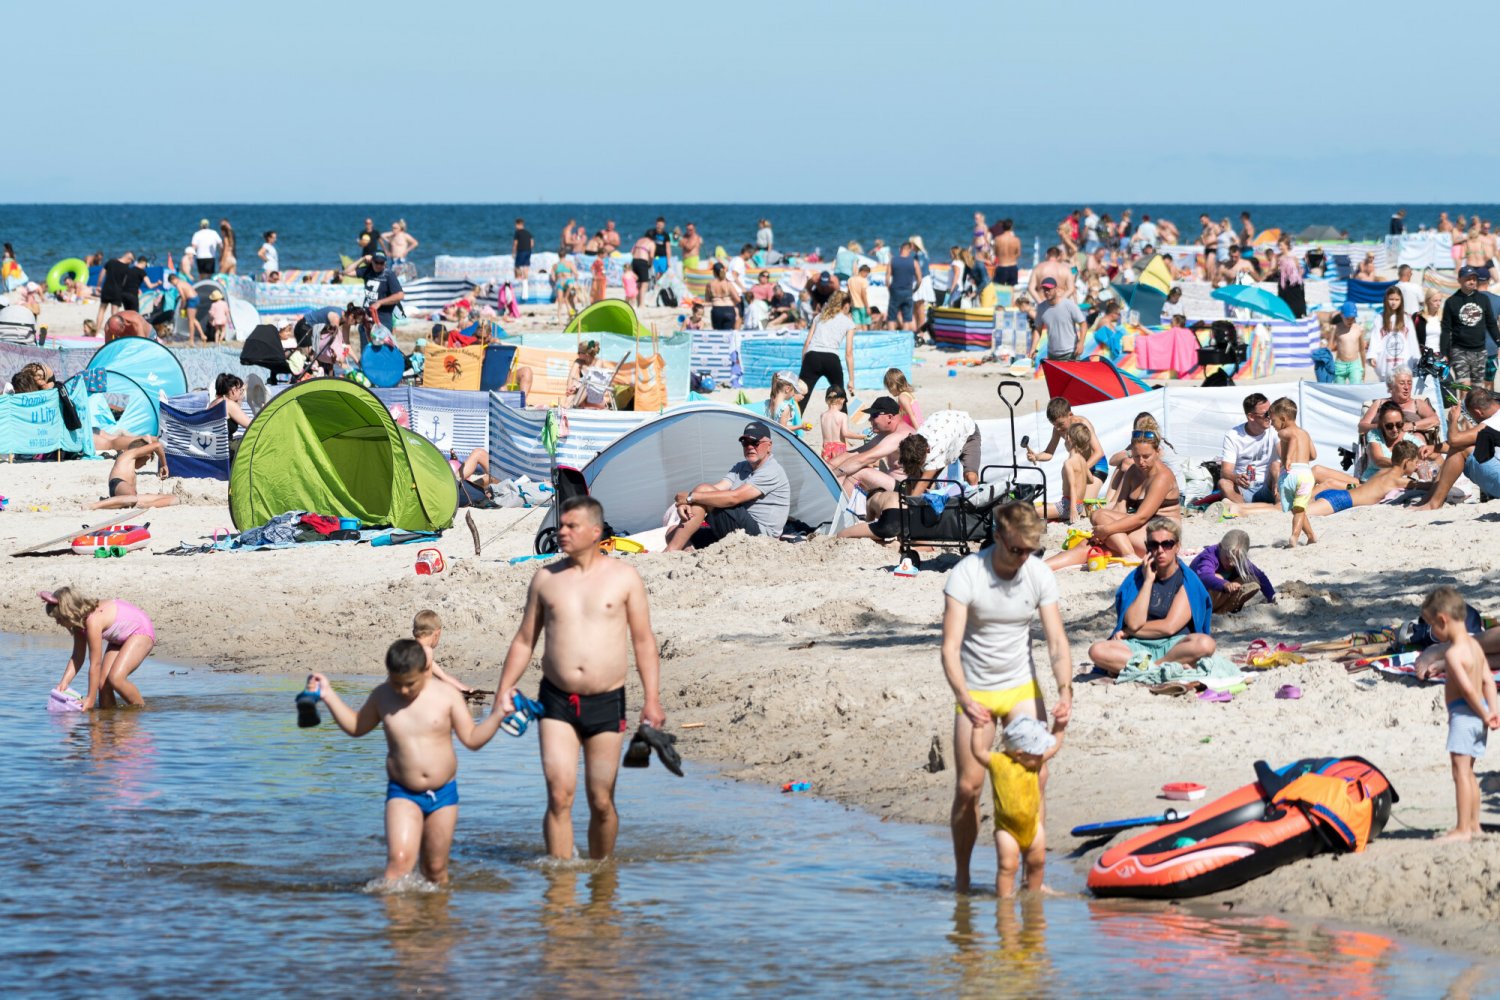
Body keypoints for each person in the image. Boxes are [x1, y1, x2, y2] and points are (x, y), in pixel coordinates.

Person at [496, 496, 665, 859]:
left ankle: (601, 875)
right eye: (561, 526)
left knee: (601, 800)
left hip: (606, 701)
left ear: (595, 531)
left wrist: (652, 698)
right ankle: (560, 887)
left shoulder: (624, 578)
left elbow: (643, 640)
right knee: (559, 796)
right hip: (556, 699)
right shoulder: (546, 578)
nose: (562, 532)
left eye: (571, 526)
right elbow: (525, 640)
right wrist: (504, 689)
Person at [941, 503, 1071, 894]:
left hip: (1020, 686)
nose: (1022, 558)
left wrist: (1065, 690)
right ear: (998, 536)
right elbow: (949, 647)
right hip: (975, 688)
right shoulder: (968, 573)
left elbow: (1056, 640)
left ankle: (1034, 882)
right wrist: (963, 697)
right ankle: (963, 879)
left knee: (1038, 774)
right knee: (969, 787)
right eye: (1016, 549)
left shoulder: (1038, 574)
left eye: (1030, 550)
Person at [308, 639, 505, 884]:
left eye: (410, 684)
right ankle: (398, 921)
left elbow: (472, 740)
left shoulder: (446, 696)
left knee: (435, 869)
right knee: (398, 865)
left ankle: (438, 921)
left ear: (426, 671)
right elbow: (357, 727)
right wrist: (327, 694)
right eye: (396, 683)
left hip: (443, 794)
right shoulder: (383, 696)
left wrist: (498, 715)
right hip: (402, 793)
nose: (402, 691)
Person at [1419, 587, 1500, 841]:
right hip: (1481, 716)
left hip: (1465, 716)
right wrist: (1491, 710)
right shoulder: (1475, 651)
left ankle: (1463, 828)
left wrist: (1483, 712)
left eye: (1434, 628)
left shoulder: (1454, 653)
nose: (1436, 634)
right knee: (1469, 773)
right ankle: (1474, 826)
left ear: (1443, 621)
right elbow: (1487, 680)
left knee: (1461, 773)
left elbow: (1467, 690)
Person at [1087, 517, 1215, 675]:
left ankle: (1151, 667)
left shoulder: (1187, 580)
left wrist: (1128, 632)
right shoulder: (1137, 579)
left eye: (1167, 544)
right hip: (1139, 646)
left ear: (1177, 547)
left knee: (1205, 644)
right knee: (1097, 650)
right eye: (1154, 545)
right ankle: (1162, 668)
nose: (1160, 550)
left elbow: (1170, 627)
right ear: (1148, 548)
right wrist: (1148, 581)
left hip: (1175, 645)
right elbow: (1134, 622)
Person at [1049, 430, 1179, 569]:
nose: (1141, 462)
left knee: (1100, 534)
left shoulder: (1162, 477)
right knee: (1090, 541)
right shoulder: (1133, 472)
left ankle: (1128, 554)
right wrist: (1106, 531)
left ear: (1158, 452)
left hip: (1164, 536)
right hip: (1142, 529)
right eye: (1136, 456)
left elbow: (1141, 517)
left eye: (1146, 456)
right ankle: (1038, 568)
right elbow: (1119, 508)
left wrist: (1106, 530)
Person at [665, 421, 790, 550]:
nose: (750, 447)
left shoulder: (772, 470)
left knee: (703, 491)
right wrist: (686, 503)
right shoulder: (741, 466)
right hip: (736, 528)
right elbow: (716, 490)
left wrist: (690, 497)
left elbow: (734, 498)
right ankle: (691, 559)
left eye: (755, 442)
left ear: (769, 445)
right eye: (745, 443)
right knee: (671, 532)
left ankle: (670, 552)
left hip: (761, 537)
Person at [41, 587, 156, 710]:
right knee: (102, 684)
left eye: (58, 618)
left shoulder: (93, 621)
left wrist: (90, 699)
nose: (58, 623)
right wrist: (64, 682)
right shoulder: (78, 623)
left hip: (140, 632)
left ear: (68, 613)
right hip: (119, 638)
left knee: (116, 678)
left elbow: (95, 664)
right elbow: (77, 657)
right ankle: (108, 720)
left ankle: (141, 710)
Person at [1416, 388, 1500, 511]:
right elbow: (1466, 440)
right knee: (1462, 447)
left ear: (1478, 412)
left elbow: (1455, 440)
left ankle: (1434, 502)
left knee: (1460, 449)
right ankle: (1430, 499)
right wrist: (1434, 448)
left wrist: (1453, 420)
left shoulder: (1494, 422)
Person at [1026, 397, 1106, 520]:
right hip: (1081, 468)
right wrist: (1036, 456)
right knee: (1075, 506)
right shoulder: (1058, 428)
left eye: (1060, 425)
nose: (1058, 429)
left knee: (1084, 511)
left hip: (1097, 466)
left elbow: (1098, 452)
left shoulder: (1082, 424)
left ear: (1070, 415)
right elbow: (1049, 452)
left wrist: (1081, 469)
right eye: (1054, 425)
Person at [1308, 440, 1419, 516]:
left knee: (1298, 510)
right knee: (1300, 514)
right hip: (1342, 500)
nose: (1417, 466)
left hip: (1340, 494)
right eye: (1416, 462)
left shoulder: (1383, 471)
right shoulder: (1398, 480)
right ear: (1407, 462)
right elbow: (1424, 485)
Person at [829, 397, 913, 494]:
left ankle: (841, 507)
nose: (869, 419)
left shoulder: (900, 435)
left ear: (889, 417)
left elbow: (863, 459)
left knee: (859, 472)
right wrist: (826, 467)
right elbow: (856, 453)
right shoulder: (887, 433)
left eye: (874, 415)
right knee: (848, 470)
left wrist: (831, 475)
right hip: (894, 483)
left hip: (907, 488)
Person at [895, 408, 983, 497]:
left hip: (968, 433)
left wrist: (910, 504)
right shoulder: (913, 442)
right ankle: (921, 507)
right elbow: (914, 477)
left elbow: (923, 482)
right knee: (914, 480)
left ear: (927, 450)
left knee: (971, 477)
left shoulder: (936, 450)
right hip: (948, 430)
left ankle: (975, 502)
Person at [796, 291, 855, 413]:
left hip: (812, 356)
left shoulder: (819, 317)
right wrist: (851, 380)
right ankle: (842, 428)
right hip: (831, 358)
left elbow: (807, 343)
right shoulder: (848, 322)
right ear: (845, 305)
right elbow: (848, 353)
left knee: (801, 396)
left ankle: (789, 428)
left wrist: (805, 363)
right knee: (840, 396)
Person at [1190, 529, 1274, 614]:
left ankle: (1222, 612)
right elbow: (1205, 576)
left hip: (1222, 597)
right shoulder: (1209, 556)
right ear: (1220, 546)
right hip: (1196, 599)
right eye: (1227, 558)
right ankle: (1209, 611)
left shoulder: (1239, 559)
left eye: (1236, 560)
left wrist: (1272, 597)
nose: (1231, 563)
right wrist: (1225, 584)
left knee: (1252, 579)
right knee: (1217, 577)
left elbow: (1260, 576)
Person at [1271, 397, 1317, 547]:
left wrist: (1289, 458)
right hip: (1305, 475)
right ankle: (1311, 536)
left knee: (1296, 509)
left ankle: (1294, 536)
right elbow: (1313, 456)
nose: (1272, 425)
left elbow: (1293, 439)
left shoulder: (1283, 432)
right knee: (1300, 509)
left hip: (1290, 473)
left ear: (1283, 419)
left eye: (1273, 421)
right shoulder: (1305, 433)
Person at [1217, 393, 1279, 505]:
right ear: (1251, 416)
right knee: (1223, 483)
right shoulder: (1233, 435)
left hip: (1268, 485)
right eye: (1266, 414)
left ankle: (1278, 504)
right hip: (1245, 488)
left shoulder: (1275, 429)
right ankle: (1244, 509)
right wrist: (1236, 477)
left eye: (1272, 411)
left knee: (1277, 466)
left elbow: (1285, 455)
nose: (1271, 417)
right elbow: (1225, 471)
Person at [1441, 266, 1497, 387]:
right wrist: (1443, 352)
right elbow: (1446, 329)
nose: (1472, 281)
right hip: (1459, 350)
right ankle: (1461, 405)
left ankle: (1470, 406)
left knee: (1477, 388)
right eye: (1468, 279)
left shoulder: (1483, 299)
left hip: (1480, 350)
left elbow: (1491, 323)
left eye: (1474, 279)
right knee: (1464, 386)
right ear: (1460, 280)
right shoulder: (1451, 301)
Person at [88, 437, 176, 509]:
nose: (145, 463)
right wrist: (163, 465)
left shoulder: (130, 468)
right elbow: (157, 445)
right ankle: (94, 505)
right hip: (118, 484)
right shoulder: (129, 454)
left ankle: (147, 506)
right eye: (146, 459)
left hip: (128, 496)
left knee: (174, 499)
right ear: (140, 452)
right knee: (132, 498)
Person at [412, 609, 482, 699]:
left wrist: (467, 690)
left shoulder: (412, 650)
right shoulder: (426, 651)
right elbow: (426, 688)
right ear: (437, 633)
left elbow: (443, 677)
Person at [1356, 366, 1439, 435]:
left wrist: (1411, 425)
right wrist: (1384, 427)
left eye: (1409, 383)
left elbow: (1435, 420)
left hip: (1411, 444)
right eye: (1402, 383)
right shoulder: (1380, 403)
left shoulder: (1417, 403)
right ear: (1391, 386)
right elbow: (1361, 427)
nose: (1406, 387)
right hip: (1382, 443)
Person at [343, 249, 404, 333]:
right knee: (366, 346)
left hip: (382, 319)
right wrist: (363, 259)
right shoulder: (367, 270)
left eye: (381, 263)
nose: (378, 265)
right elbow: (346, 272)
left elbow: (400, 295)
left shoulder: (388, 275)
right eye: (376, 262)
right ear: (372, 261)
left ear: (385, 263)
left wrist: (380, 302)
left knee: (381, 346)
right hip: (366, 318)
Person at [1029, 278, 1084, 361]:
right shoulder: (1041, 308)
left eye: (1049, 289)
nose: (1047, 292)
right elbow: (1037, 330)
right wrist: (1033, 348)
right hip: (1052, 354)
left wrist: (1081, 343)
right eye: (1045, 289)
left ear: (1056, 289)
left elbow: (1083, 324)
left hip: (1070, 353)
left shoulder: (1068, 305)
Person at [209, 373, 253, 450]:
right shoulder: (229, 404)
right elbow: (252, 425)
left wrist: (239, 400)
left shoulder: (213, 403)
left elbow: (235, 415)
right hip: (225, 449)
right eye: (240, 390)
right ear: (233, 390)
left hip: (214, 448)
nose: (241, 393)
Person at [819, 385, 862, 463]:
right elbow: (845, 433)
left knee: (829, 471)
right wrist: (862, 437)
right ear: (842, 400)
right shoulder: (842, 415)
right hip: (839, 448)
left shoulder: (823, 415)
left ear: (827, 399)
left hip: (826, 448)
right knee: (840, 471)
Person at [885, 241, 921, 331]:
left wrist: (889, 289)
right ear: (910, 250)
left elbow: (887, 279)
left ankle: (891, 338)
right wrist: (914, 290)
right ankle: (904, 340)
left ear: (900, 249)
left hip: (895, 290)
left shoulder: (892, 261)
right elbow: (919, 279)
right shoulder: (914, 262)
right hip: (908, 291)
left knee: (891, 317)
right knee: (907, 319)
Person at [95, 251, 134, 331]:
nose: (130, 263)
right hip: (117, 292)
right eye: (131, 261)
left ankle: (97, 331)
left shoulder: (111, 262)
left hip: (106, 289)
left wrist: (98, 285)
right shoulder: (127, 268)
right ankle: (113, 333)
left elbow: (102, 273)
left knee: (101, 310)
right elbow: (124, 282)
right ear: (129, 258)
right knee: (114, 314)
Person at [764, 371, 804, 437]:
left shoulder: (768, 402)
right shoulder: (785, 407)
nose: (794, 394)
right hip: (781, 440)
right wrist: (801, 426)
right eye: (794, 390)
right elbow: (783, 428)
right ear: (787, 389)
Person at [992, 220, 1021, 287]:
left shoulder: (997, 239)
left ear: (1002, 227)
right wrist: (1012, 257)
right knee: (1011, 289)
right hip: (1012, 266)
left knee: (999, 288)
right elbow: (1018, 254)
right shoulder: (1016, 240)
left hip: (1002, 266)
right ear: (1011, 227)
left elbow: (995, 253)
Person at [847, 263, 872, 328]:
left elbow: (848, 293)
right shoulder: (863, 281)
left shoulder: (850, 279)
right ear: (863, 271)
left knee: (856, 323)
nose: (867, 275)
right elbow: (863, 294)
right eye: (867, 273)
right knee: (864, 324)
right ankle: (866, 337)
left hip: (853, 304)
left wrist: (848, 303)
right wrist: (867, 307)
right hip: (862, 305)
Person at [648, 217, 671, 285]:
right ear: (656, 224)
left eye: (661, 225)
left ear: (664, 225)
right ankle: (654, 284)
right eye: (658, 225)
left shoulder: (666, 235)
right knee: (653, 273)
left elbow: (668, 248)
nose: (659, 227)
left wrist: (669, 261)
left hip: (663, 257)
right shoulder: (651, 233)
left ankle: (659, 284)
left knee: (663, 273)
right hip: (654, 257)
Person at [512, 218, 534, 285]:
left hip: (521, 251)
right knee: (526, 266)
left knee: (517, 266)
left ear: (518, 224)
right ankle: (525, 280)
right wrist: (529, 248)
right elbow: (532, 243)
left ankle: (518, 280)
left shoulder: (517, 233)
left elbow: (515, 243)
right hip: (528, 251)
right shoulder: (528, 232)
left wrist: (513, 252)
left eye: (515, 225)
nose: (515, 226)